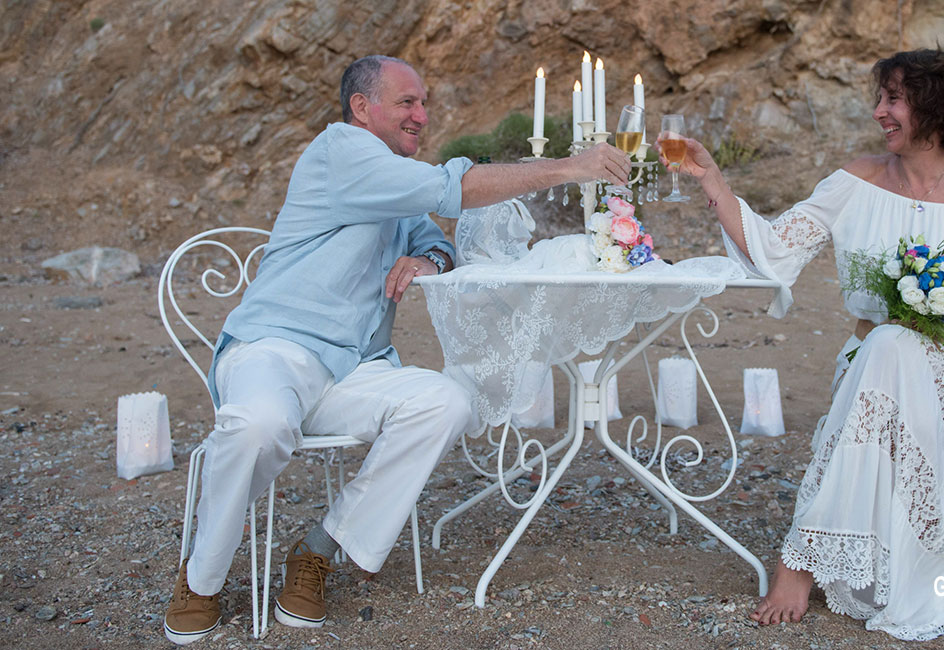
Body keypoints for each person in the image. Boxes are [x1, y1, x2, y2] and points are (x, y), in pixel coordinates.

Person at [163, 54, 630, 645]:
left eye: (424, 103)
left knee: (445, 402)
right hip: (273, 349)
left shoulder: (394, 182)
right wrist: (569, 167)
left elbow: (439, 242)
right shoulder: (342, 150)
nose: (421, 115)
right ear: (363, 108)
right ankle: (201, 578)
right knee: (259, 422)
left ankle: (318, 550)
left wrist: (427, 258)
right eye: (407, 102)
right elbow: (450, 189)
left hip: (354, 369)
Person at [658, 49, 944, 640]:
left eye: (894, 99)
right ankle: (818, 550)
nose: (879, 111)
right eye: (880, 98)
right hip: (869, 363)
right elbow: (776, 250)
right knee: (886, 347)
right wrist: (712, 179)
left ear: (935, 106)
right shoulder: (855, 182)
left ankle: (800, 560)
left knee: (893, 345)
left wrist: (938, 319)